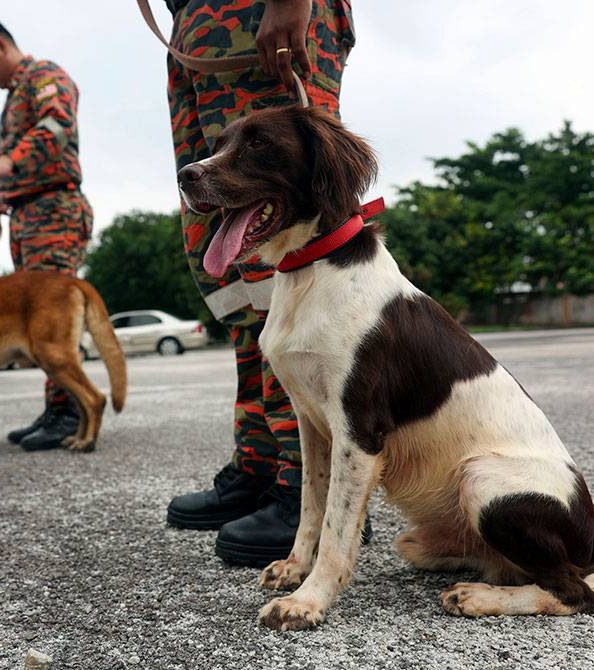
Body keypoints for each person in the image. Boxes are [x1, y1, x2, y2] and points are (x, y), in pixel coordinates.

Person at [160, 0, 371, 565]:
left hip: (256, 14)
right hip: (195, 27)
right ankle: (260, 460)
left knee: (287, 237)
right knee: (232, 273)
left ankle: (310, 487)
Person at [0, 15, 94, 451]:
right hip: (30, 215)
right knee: (36, 321)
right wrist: (3, 192)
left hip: (55, 210)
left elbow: (56, 126)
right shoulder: (16, 94)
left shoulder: (44, 76)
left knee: (50, 317)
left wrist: (7, 163)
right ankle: (58, 406)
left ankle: (71, 409)